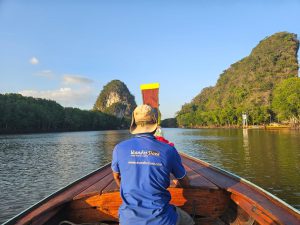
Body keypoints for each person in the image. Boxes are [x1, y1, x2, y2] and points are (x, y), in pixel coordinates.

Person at [111, 104, 195, 225]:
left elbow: (116, 177)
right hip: (162, 220)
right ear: (155, 125)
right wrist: (178, 183)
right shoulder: (168, 150)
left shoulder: (119, 149)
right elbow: (186, 182)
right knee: (189, 221)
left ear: (134, 124)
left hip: (128, 220)